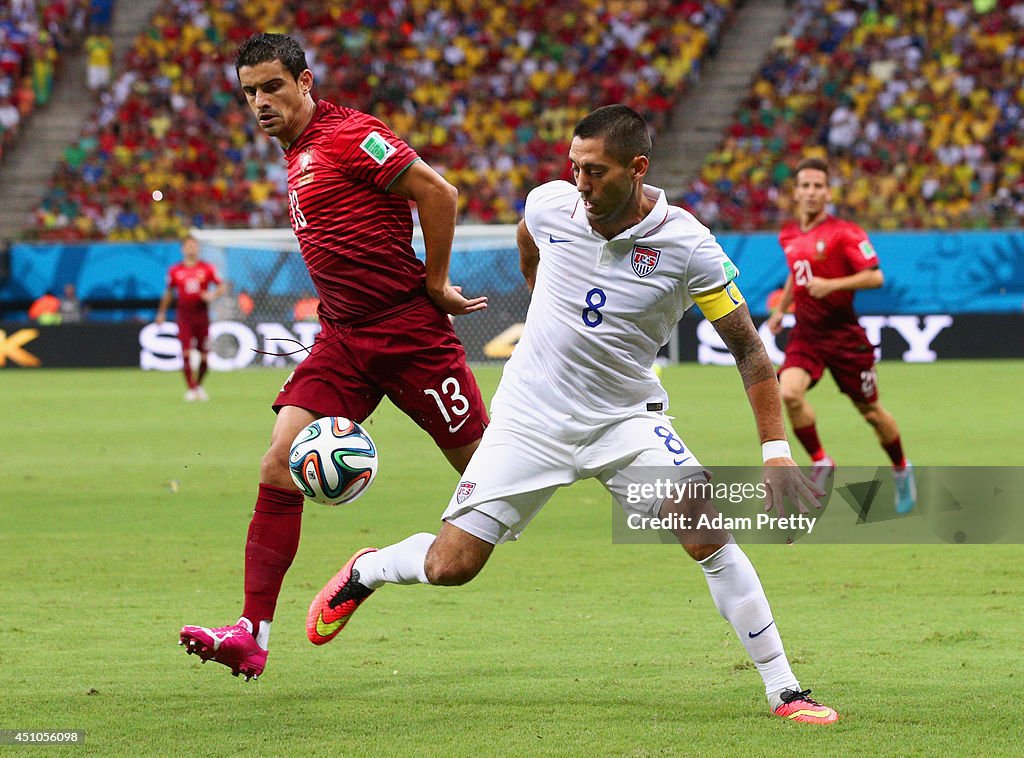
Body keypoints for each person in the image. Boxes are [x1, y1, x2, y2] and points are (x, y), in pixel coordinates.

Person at [306, 106, 838, 725]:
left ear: (638, 170)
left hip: (625, 421)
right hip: (530, 418)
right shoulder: (551, 204)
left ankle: (785, 689)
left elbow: (749, 350)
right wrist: (540, 292)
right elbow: (529, 237)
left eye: (596, 172)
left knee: (709, 537)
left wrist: (776, 453)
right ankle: (368, 568)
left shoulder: (689, 245)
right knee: (450, 568)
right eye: (575, 168)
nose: (580, 184)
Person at [177, 33, 489, 681]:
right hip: (343, 337)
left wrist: (434, 284)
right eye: (250, 93)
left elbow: (439, 193)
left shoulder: (351, 136)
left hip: (410, 335)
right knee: (277, 464)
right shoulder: (294, 155)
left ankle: (373, 567)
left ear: (305, 81)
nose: (260, 102)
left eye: (272, 87)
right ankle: (250, 633)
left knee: (491, 486)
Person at [766, 157, 916, 513]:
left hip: (846, 337)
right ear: (796, 192)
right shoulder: (788, 234)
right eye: (805, 186)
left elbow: (875, 277)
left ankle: (901, 469)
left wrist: (832, 284)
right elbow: (795, 273)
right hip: (807, 334)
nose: (812, 192)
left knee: (871, 412)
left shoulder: (846, 233)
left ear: (828, 193)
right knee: (787, 392)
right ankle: (821, 461)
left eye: (818, 186)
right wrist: (781, 308)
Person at [156, 236, 225, 401]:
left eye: (194, 246)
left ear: (198, 249)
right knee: (186, 353)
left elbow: (221, 286)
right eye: (188, 246)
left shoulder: (207, 268)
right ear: (183, 249)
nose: (191, 249)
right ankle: (191, 389)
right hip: (184, 317)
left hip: (202, 316)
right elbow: (168, 293)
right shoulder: (175, 270)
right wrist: (161, 312)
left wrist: (212, 294)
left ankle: (199, 385)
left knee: (204, 356)